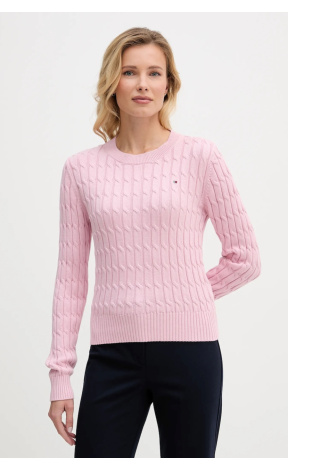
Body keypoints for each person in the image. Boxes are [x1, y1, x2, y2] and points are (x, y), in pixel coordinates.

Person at [45, 27, 261, 458]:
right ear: (113, 83)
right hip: (112, 356)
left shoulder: (200, 156)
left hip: (191, 353)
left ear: (168, 85)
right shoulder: (81, 170)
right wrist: (60, 376)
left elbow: (245, 258)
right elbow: (71, 279)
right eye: (129, 72)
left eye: (154, 73)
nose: (142, 83)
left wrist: (186, 295)